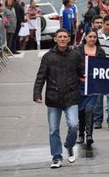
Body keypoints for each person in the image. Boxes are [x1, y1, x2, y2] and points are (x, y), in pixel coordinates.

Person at [33, 28, 84, 168]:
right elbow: (41, 77)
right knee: (53, 129)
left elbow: (83, 72)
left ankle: (69, 145)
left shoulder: (75, 55)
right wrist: (37, 93)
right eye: (60, 36)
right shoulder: (48, 56)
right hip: (53, 98)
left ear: (68, 39)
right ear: (55, 39)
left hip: (71, 96)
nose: (62, 39)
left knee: (74, 125)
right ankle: (56, 157)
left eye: (65, 37)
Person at [75, 28, 105, 147]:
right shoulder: (78, 50)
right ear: (85, 37)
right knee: (81, 110)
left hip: (94, 86)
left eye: (94, 37)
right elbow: (74, 66)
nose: (92, 39)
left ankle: (89, 135)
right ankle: (81, 133)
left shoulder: (100, 51)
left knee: (89, 109)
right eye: (90, 36)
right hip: (80, 85)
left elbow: (104, 67)